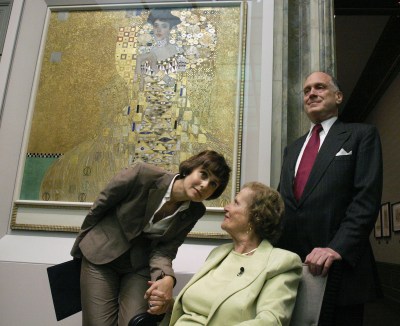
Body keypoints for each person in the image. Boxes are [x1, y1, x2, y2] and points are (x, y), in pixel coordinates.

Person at [70, 150, 231, 326]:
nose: (204, 185)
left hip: (139, 266)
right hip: (100, 255)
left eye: (213, 184)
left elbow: (165, 250)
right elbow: (100, 207)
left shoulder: (195, 211)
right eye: (203, 174)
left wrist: (166, 278)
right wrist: (79, 250)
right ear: (190, 169)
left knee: (136, 323)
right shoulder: (142, 174)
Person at [277, 71, 383, 325]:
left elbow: (365, 199)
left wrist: (337, 247)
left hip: (340, 271)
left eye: (319, 87)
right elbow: (283, 204)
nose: (311, 93)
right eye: (306, 91)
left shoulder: (361, 135)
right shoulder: (292, 149)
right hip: (293, 270)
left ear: (338, 96)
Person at [148, 182, 302, 326]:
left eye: (235, 203)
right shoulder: (219, 253)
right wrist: (167, 304)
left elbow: (270, 322)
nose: (226, 208)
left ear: (256, 216)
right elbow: (195, 307)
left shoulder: (281, 263)